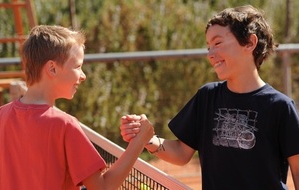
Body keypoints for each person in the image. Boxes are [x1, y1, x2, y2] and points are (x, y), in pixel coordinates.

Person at [120, 5, 299, 190]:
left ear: (249, 43)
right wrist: (147, 139)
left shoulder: (280, 106)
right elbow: (182, 153)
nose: (211, 54)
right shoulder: (207, 97)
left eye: (218, 43)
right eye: (208, 47)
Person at [0, 25, 154, 190]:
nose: (83, 75)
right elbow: (103, 188)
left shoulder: (1, 115)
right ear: (52, 68)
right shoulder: (65, 125)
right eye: (78, 66)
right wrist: (139, 141)